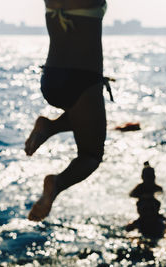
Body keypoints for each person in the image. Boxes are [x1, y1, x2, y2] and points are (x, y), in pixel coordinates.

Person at [25, 0, 112, 221]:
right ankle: (57, 183)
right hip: (83, 80)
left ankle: (50, 126)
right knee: (91, 155)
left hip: (51, 78)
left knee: (85, 119)